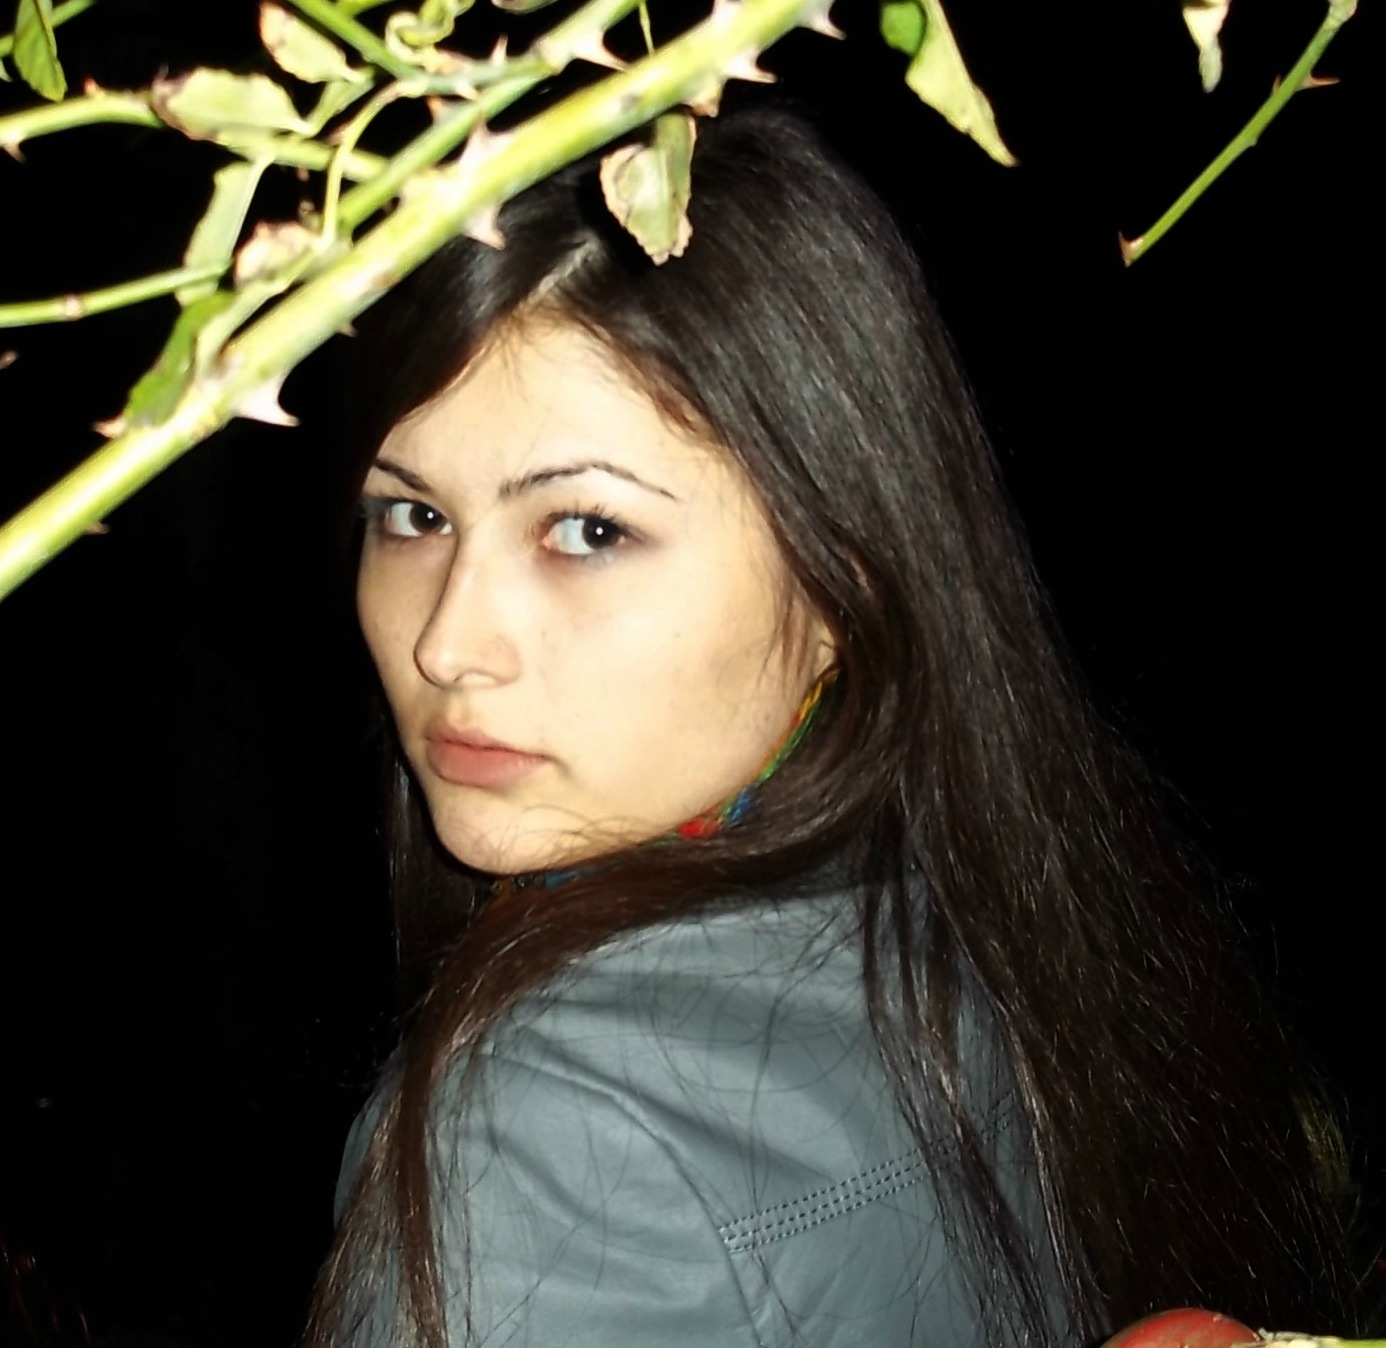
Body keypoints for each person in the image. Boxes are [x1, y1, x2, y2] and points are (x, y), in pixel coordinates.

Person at [302, 101, 1353, 1347]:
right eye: (413, 516)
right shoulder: (1002, 923)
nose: (447, 642)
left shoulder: (551, 1137)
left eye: (588, 529)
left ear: (842, 582)